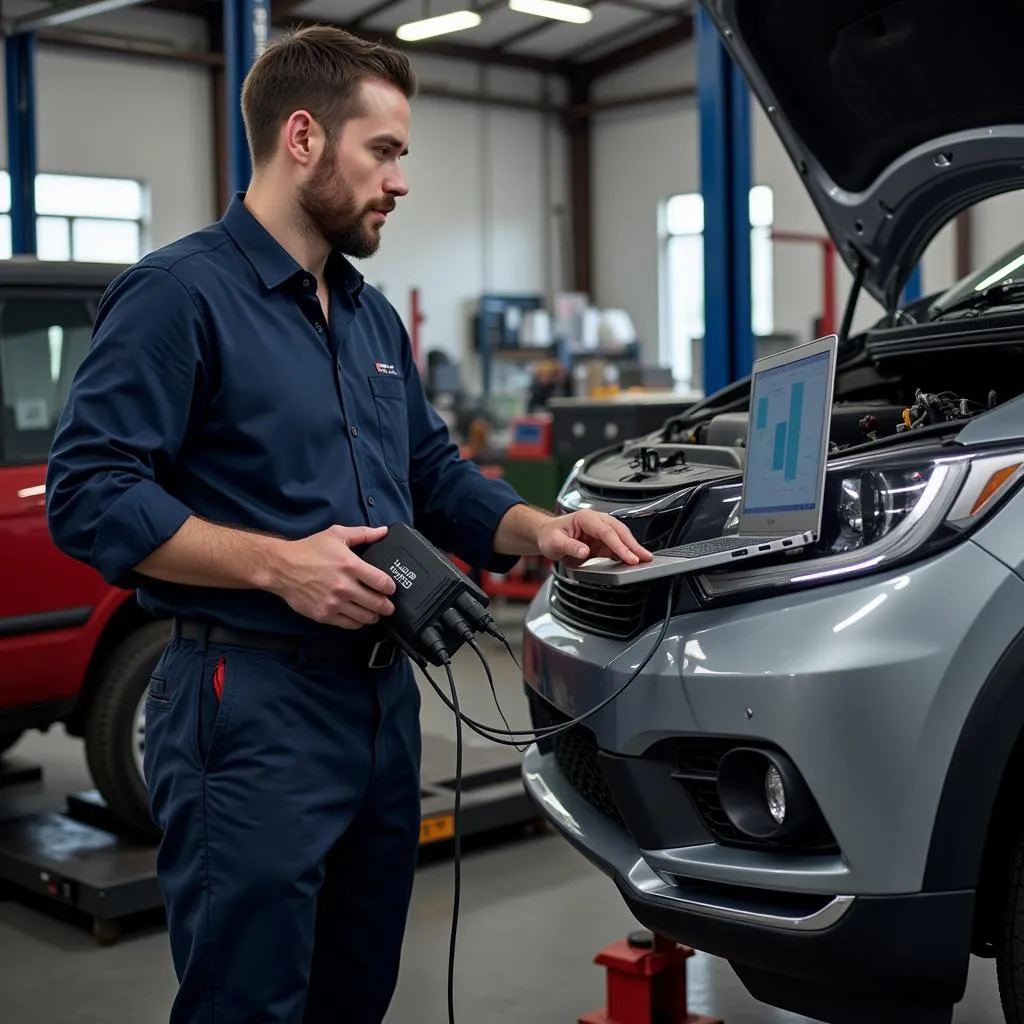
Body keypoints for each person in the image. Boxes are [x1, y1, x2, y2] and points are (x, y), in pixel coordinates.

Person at [45, 24, 652, 1024]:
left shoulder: (368, 317)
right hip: (249, 704)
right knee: (249, 1001)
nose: (401, 180)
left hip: (378, 710)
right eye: (385, 149)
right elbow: (89, 489)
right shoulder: (178, 296)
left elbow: (429, 472)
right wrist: (279, 566)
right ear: (302, 139)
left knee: (354, 992)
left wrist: (542, 528)